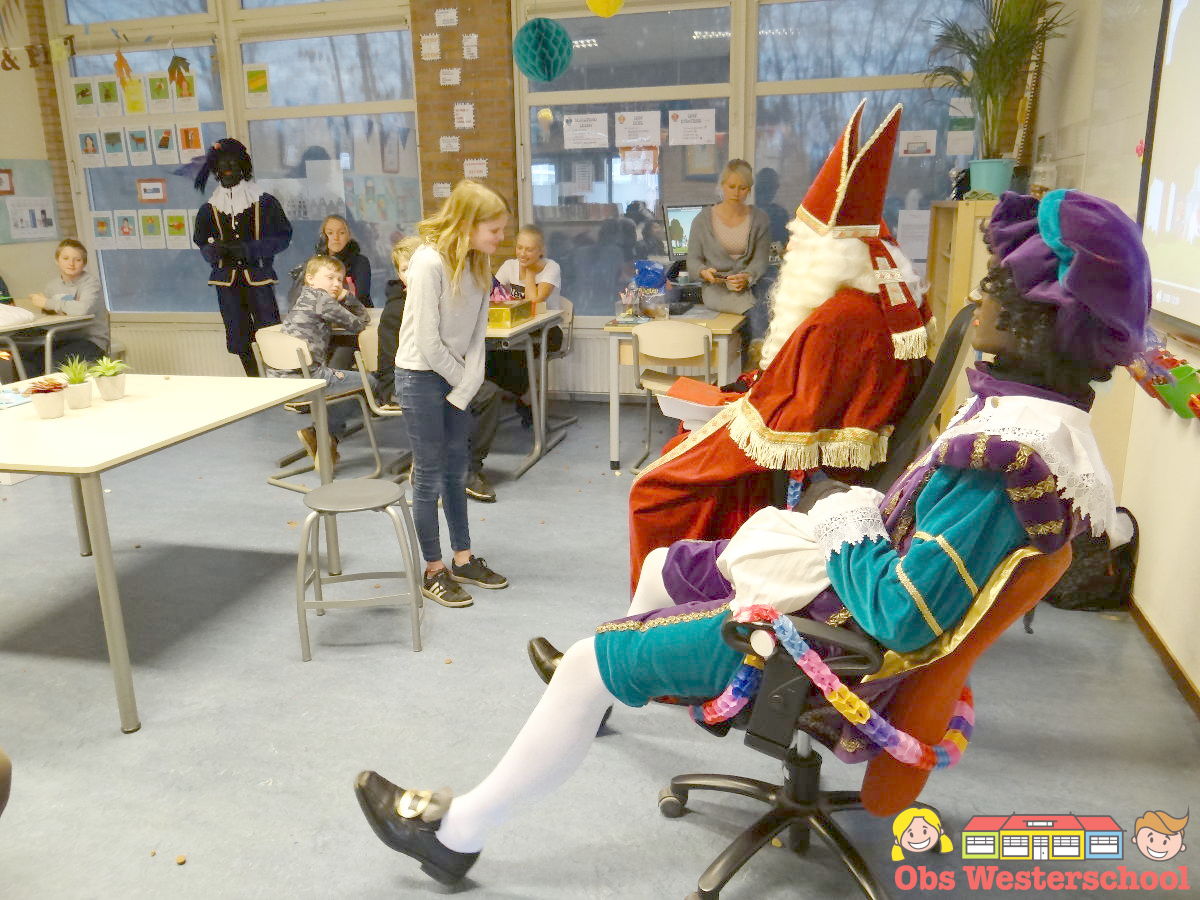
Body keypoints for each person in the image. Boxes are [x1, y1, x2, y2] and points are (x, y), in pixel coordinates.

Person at [353, 187, 1150, 889]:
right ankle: (606, 695)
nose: (979, 299)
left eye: (996, 287)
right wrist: (856, 521)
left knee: (590, 661)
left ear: (1043, 320)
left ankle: (456, 836)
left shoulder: (1003, 458)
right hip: (839, 606)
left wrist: (847, 525)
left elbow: (903, 617)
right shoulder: (1043, 427)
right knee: (665, 563)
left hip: (822, 643)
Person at [628, 103, 929, 591]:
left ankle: (675, 596)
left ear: (827, 253)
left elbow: (782, 422)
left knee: (654, 488)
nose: (791, 252)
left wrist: (732, 403)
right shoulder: (879, 299)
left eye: (799, 243)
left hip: (800, 461)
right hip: (827, 452)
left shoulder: (837, 320)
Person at [395, 180, 510, 608]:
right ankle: (433, 570)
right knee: (428, 475)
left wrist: (467, 383)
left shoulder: (480, 263)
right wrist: (461, 381)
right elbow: (427, 340)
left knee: (456, 471)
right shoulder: (428, 262)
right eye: (494, 230)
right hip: (420, 376)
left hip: (454, 376)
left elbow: (479, 334)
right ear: (467, 224)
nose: (501, 237)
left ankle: (462, 559)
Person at [379, 236, 503, 503]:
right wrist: (460, 380)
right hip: (406, 380)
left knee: (487, 393)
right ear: (398, 273)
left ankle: (468, 466)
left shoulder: (443, 296)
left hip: (440, 371)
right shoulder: (396, 309)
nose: (412, 274)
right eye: (405, 269)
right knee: (471, 394)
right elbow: (403, 361)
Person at [190, 138, 293, 377]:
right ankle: (254, 380)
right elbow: (201, 240)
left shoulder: (264, 202)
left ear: (243, 166)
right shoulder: (209, 208)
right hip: (226, 282)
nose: (227, 168)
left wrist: (249, 249)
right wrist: (214, 252)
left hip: (259, 278)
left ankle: (277, 380)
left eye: (232, 162)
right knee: (238, 336)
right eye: (222, 163)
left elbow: (283, 236)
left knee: (269, 332)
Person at [269, 255, 369, 466]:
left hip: (280, 380)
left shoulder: (302, 299)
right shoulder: (322, 300)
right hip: (309, 380)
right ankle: (327, 436)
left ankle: (320, 434)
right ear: (310, 279)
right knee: (371, 383)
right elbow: (360, 323)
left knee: (344, 384)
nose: (336, 284)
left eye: (340, 280)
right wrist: (348, 296)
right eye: (330, 278)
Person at [486, 224, 563, 427]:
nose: (522, 253)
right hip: (518, 330)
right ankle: (526, 397)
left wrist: (528, 273)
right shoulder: (509, 266)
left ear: (541, 251)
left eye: (529, 249)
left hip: (548, 331)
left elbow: (535, 302)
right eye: (519, 247)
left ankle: (527, 401)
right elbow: (492, 294)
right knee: (491, 354)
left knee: (516, 354)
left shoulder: (551, 267)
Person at [687, 159, 771, 315]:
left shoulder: (760, 219)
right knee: (757, 315)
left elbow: (760, 261)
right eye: (731, 186)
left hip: (751, 289)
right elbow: (692, 260)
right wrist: (704, 272)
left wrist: (747, 277)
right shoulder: (702, 220)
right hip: (717, 292)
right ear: (722, 185)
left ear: (749, 189)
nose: (736, 193)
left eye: (742, 188)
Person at [25, 239, 109, 374]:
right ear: (57, 260)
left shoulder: (90, 284)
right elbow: (48, 315)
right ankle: (34, 388)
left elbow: (82, 309)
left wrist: (47, 303)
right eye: (65, 258)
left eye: (77, 260)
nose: (71, 263)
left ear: (84, 263)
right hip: (62, 339)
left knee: (55, 361)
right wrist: (44, 306)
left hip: (91, 341)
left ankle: (56, 387)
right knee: (28, 358)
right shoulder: (52, 286)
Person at [316, 214, 373, 307]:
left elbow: (361, 296)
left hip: (356, 312)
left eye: (341, 233)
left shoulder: (360, 262)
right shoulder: (316, 263)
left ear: (349, 236)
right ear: (322, 236)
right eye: (330, 233)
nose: (336, 238)